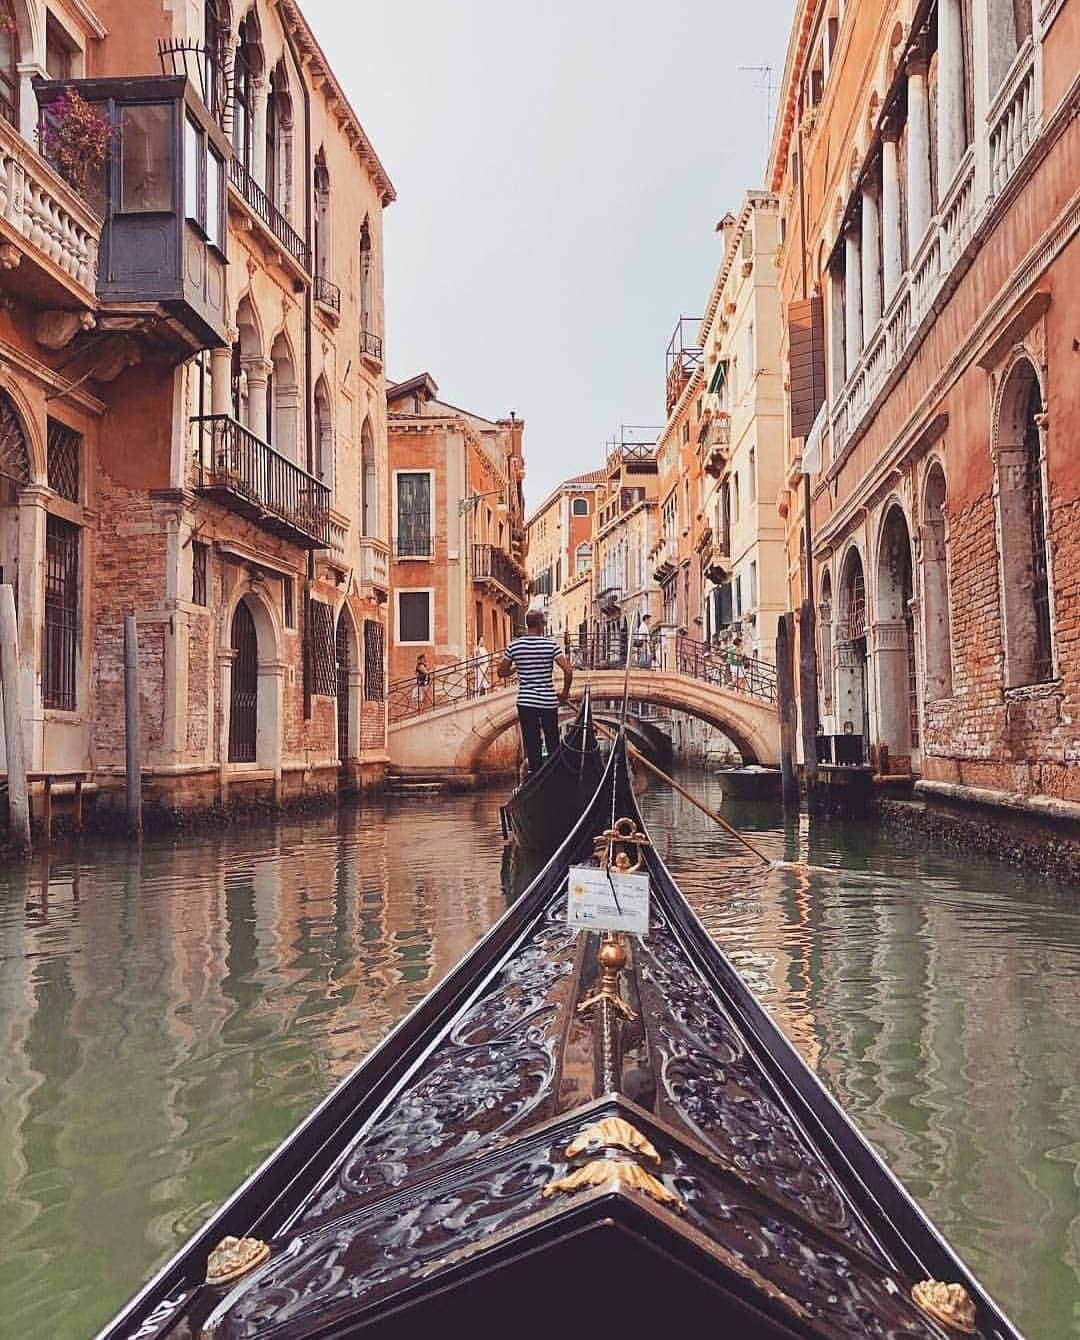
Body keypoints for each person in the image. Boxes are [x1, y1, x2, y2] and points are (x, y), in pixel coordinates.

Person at [497, 609, 572, 774]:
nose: (544, 626)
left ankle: (535, 774)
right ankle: (556, 775)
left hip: (526, 702)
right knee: (552, 741)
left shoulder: (514, 646)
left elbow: (501, 672)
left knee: (532, 743)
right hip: (547, 701)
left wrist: (517, 667)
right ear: (539, 625)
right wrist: (565, 693)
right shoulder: (551, 645)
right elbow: (568, 670)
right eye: (544, 623)